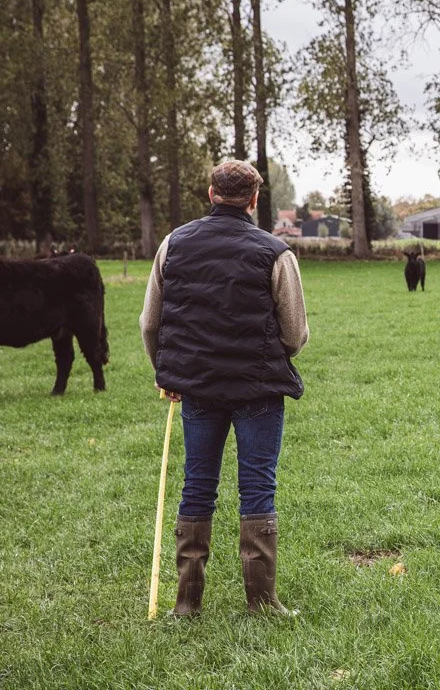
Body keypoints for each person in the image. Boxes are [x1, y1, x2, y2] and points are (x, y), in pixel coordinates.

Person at [140, 161, 309, 616]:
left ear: (210, 192)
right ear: (254, 199)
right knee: (257, 486)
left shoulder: (172, 244)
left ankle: (187, 604)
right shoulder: (276, 252)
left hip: (196, 390)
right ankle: (263, 603)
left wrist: (168, 371)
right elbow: (295, 334)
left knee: (197, 486)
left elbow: (150, 323)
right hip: (258, 391)